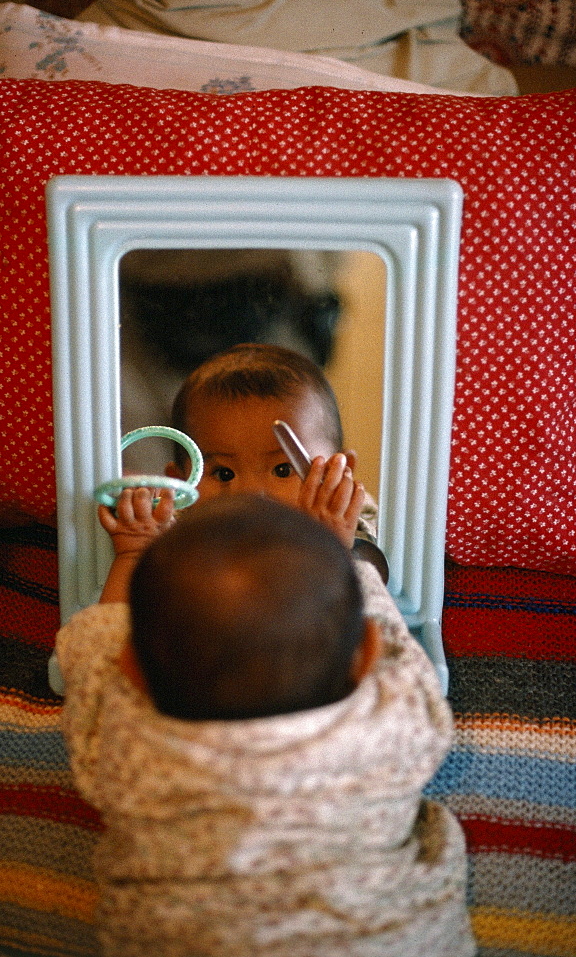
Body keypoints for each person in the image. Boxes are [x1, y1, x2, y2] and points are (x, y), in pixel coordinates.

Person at [57, 490, 475, 956]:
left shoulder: (122, 732)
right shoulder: (398, 715)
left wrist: (134, 551)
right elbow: (390, 636)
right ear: (367, 653)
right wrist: (343, 552)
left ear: (130, 668)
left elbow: (96, 638)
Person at [162, 341, 378, 551]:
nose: (252, 495)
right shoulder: (168, 538)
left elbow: (363, 588)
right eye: (223, 473)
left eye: (283, 470)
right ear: (180, 484)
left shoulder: (359, 535)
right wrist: (131, 553)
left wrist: (328, 548)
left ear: (340, 475)